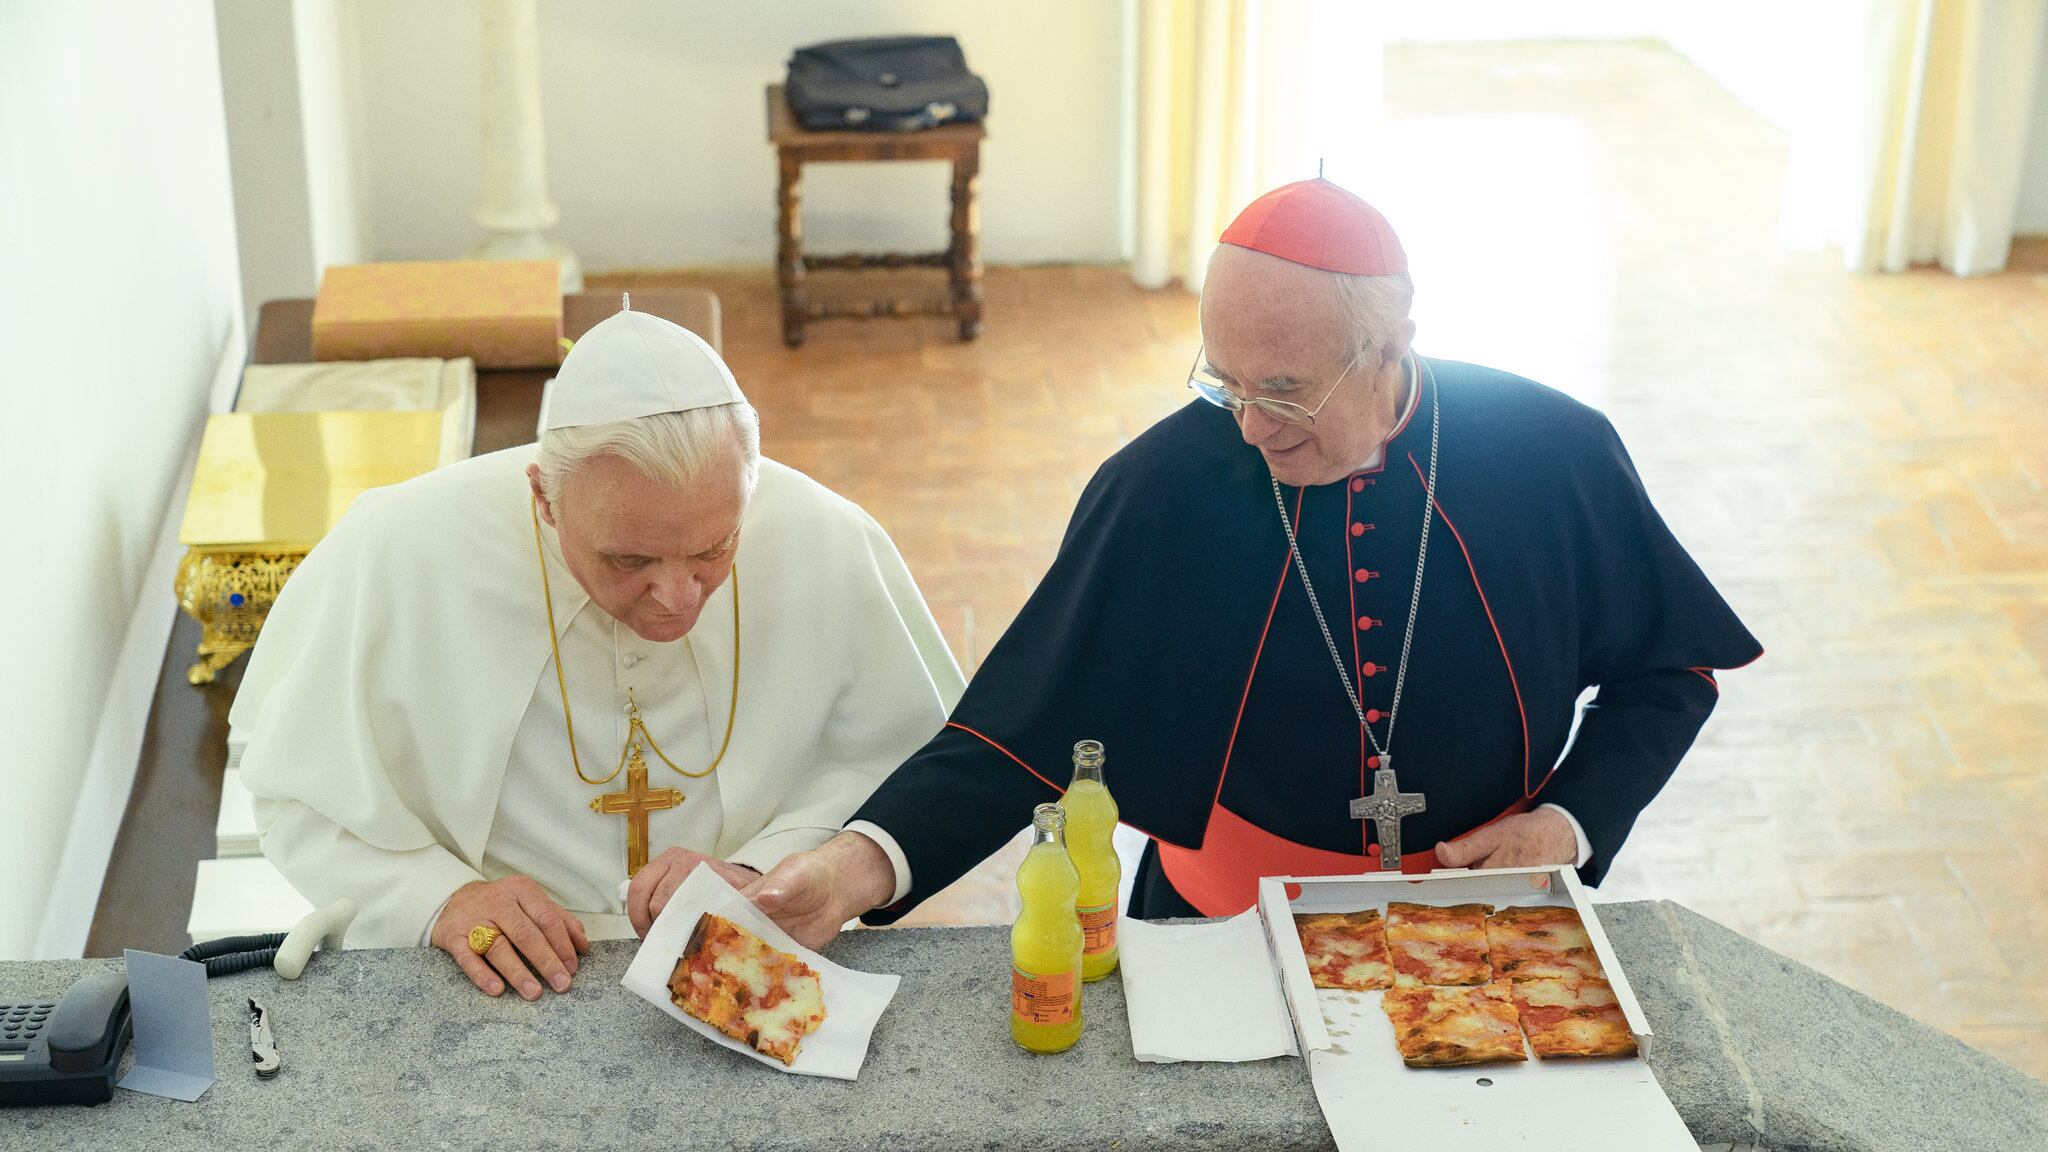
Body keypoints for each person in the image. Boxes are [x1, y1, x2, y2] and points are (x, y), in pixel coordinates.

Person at [730, 178, 1762, 948]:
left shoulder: (1551, 453)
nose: (1252, 429)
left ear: (1391, 346)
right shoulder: (1163, 486)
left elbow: (1667, 670)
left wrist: (1570, 823)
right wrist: (850, 868)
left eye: (1286, 390)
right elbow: (1024, 730)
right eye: (1225, 383)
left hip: (1487, 928)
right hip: (1220, 933)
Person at [233, 303, 963, 998]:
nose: (676, 597)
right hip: (499, 978)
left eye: (714, 549)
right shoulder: (400, 551)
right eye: (629, 560)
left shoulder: (824, 539)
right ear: (545, 499)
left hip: (750, 964)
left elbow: (906, 763)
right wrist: (439, 900)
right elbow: (303, 798)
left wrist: (763, 872)